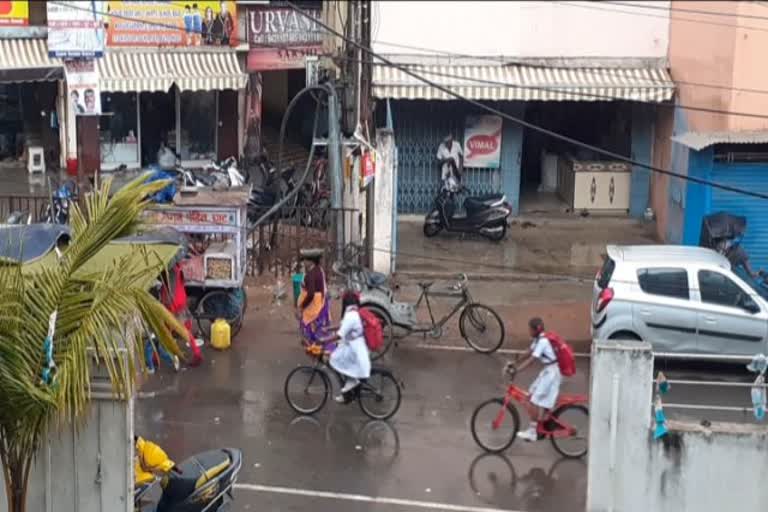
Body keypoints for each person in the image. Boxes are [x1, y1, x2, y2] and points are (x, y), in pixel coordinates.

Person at [512, 317, 562, 442]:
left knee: (533, 402)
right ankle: (541, 425)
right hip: (548, 371)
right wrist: (514, 363)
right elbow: (529, 352)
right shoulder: (538, 339)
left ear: (535, 330)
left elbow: (532, 360)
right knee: (530, 395)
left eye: (529, 329)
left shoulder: (543, 342)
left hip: (552, 373)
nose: (528, 331)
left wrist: (517, 370)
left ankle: (533, 432)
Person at [325, 290, 371, 402]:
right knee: (338, 358)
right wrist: (327, 329)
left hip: (354, 350)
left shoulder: (351, 316)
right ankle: (348, 390)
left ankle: (351, 384)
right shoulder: (354, 312)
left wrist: (323, 341)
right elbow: (342, 326)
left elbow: (339, 335)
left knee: (334, 359)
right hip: (355, 347)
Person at [296, 248, 331, 344]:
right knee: (320, 331)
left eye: (305, 260)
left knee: (312, 333)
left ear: (311, 261)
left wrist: (302, 307)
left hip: (314, 307)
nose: (304, 262)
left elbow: (311, 294)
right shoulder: (318, 270)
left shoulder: (311, 275)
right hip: (321, 303)